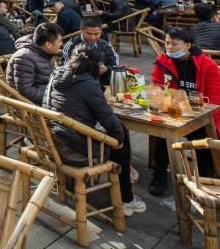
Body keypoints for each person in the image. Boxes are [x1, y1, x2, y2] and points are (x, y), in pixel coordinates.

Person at [44, 48, 145, 216]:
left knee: (117, 133)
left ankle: (128, 172)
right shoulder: (87, 84)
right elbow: (109, 120)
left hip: (53, 136)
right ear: (96, 66)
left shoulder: (58, 73)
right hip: (73, 144)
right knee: (120, 136)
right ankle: (126, 199)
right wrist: (118, 141)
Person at [147, 27, 220, 195]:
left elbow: (216, 100)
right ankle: (160, 175)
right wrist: (160, 98)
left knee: (202, 140)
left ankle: (204, 178)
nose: (169, 47)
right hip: (171, 112)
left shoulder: (207, 65)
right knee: (162, 133)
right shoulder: (163, 61)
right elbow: (157, 86)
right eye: (167, 43)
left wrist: (196, 114)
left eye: (174, 44)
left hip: (200, 116)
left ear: (188, 45)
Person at [6, 23, 63, 104]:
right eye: (59, 41)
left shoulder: (45, 51)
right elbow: (25, 90)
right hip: (29, 103)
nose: (61, 44)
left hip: (47, 90)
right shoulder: (24, 57)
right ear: (48, 44)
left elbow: (50, 75)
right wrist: (52, 97)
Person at [61, 17, 120, 86]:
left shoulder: (106, 45)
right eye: (89, 34)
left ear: (101, 31)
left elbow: (115, 65)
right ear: (81, 30)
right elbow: (66, 68)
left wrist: (106, 69)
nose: (93, 37)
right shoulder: (71, 45)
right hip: (77, 83)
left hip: (102, 83)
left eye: (96, 34)